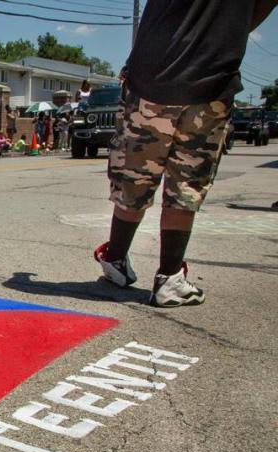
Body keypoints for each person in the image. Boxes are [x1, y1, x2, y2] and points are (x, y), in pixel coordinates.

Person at [95, 0, 277, 307]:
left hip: (152, 76)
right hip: (210, 78)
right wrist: (222, 33)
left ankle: (115, 260)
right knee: (187, 183)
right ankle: (170, 278)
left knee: (135, 176)